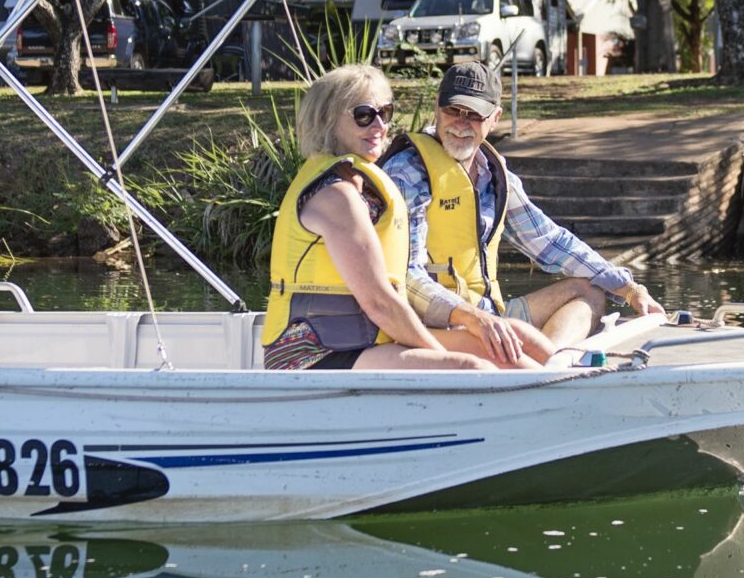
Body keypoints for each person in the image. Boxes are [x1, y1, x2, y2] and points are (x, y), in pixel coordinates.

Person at [381, 61, 661, 354]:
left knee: (588, 291)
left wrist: (628, 288)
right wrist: (471, 317)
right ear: (438, 108)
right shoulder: (407, 172)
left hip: (490, 316)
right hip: (433, 328)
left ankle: (547, 366)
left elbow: (549, 241)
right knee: (528, 339)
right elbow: (406, 273)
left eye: (475, 115)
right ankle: (539, 365)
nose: (461, 124)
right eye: (453, 111)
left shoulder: (495, 174)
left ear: (495, 118)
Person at [262, 64, 502, 372]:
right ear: (327, 121)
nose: (378, 125)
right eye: (364, 115)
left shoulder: (360, 186)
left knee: (495, 350)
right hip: (311, 354)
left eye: (384, 113)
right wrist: (437, 354)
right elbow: (378, 302)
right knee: (470, 368)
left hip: (363, 342)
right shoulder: (337, 196)